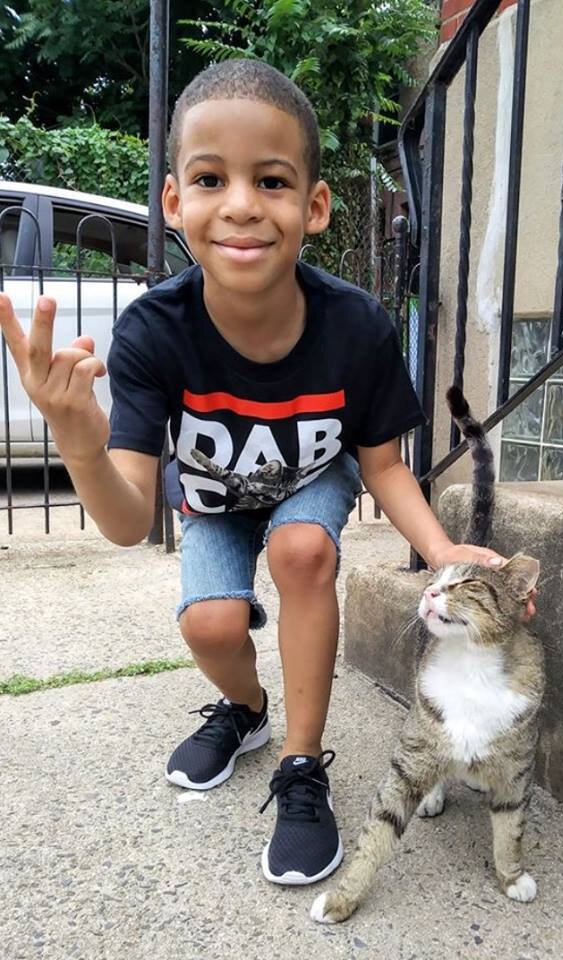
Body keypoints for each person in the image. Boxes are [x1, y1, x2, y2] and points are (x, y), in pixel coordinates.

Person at [0, 59, 535, 887]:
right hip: (214, 503)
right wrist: (78, 437)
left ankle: (299, 765)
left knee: (302, 555)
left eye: (272, 180)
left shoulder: (354, 325)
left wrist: (448, 559)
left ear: (312, 206)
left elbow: (384, 468)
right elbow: (124, 518)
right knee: (211, 626)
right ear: (175, 202)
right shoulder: (152, 330)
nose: (243, 203)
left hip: (309, 485)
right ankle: (246, 711)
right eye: (211, 178)